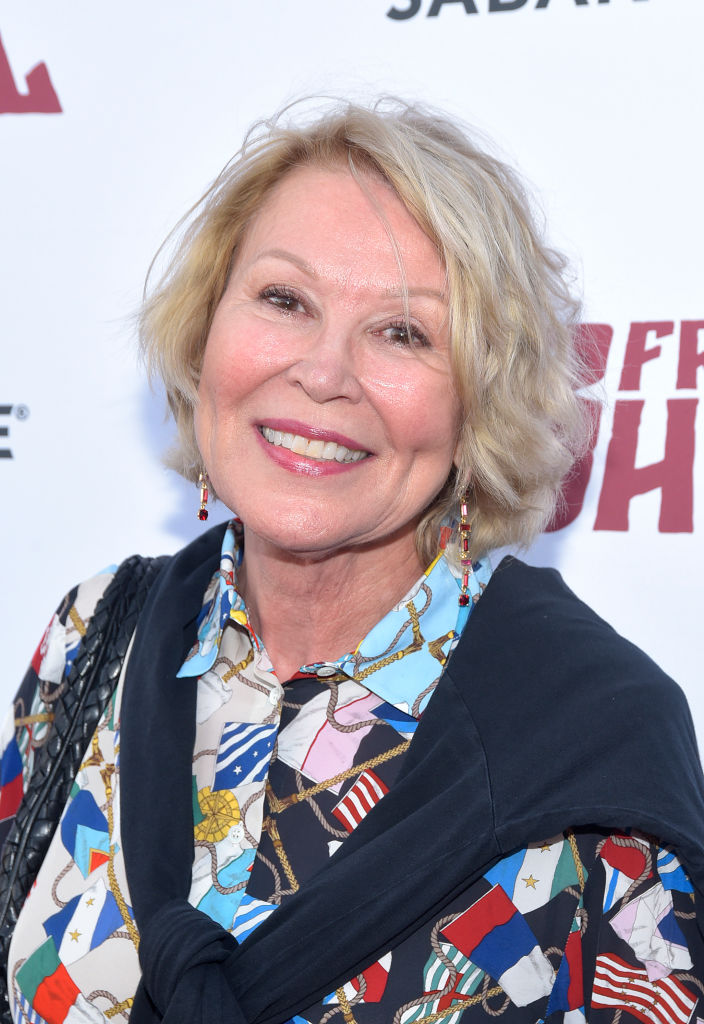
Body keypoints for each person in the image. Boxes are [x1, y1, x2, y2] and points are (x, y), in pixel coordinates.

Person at [2, 99, 704, 1024]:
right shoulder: (97, 634)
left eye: (403, 332)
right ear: (206, 332)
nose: (324, 372)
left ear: (481, 404)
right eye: (284, 300)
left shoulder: (595, 736)